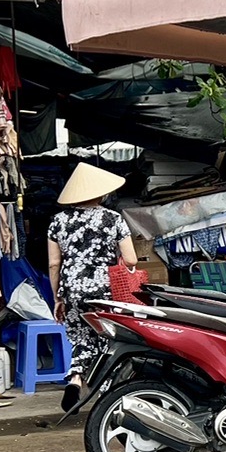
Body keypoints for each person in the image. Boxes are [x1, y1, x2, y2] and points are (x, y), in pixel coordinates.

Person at [48, 161, 140, 412]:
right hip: (105, 289)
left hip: (72, 287)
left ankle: (75, 380)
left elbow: (54, 263)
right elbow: (131, 259)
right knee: (107, 338)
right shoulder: (114, 219)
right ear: (101, 192)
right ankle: (107, 395)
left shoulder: (58, 221)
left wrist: (58, 297)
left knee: (81, 337)